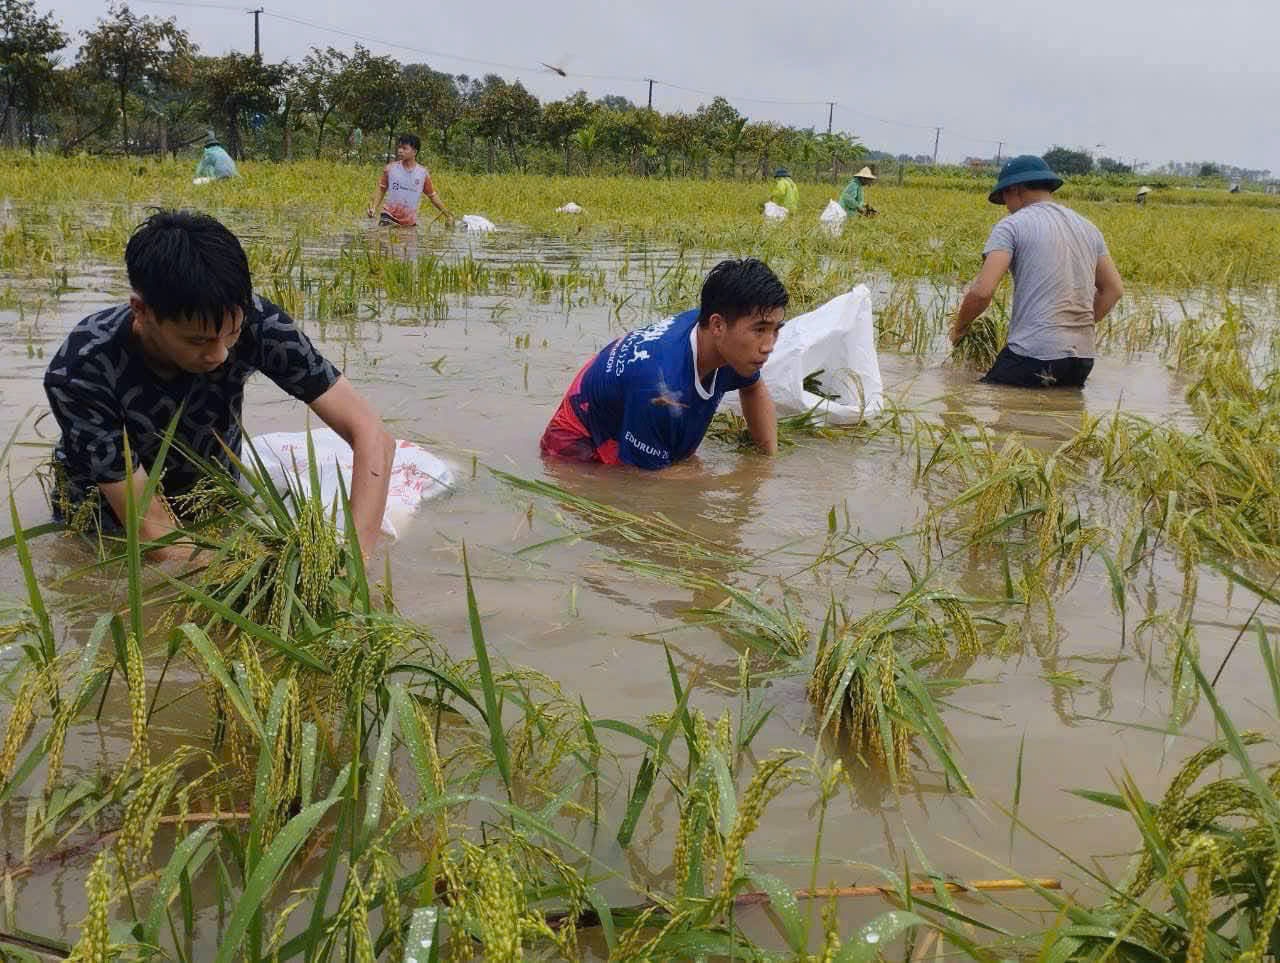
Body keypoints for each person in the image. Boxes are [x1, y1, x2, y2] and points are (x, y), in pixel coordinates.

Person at [43, 210, 396, 560]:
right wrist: (259, 568)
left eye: (232, 334)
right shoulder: (81, 369)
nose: (220, 354)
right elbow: (151, 533)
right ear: (142, 310)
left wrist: (356, 553)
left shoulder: (258, 324)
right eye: (198, 341)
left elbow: (372, 434)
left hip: (212, 499)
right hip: (107, 519)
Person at [540, 258, 787, 469]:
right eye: (760, 330)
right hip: (577, 445)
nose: (769, 345)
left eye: (776, 330)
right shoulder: (660, 389)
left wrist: (767, 464)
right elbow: (644, 481)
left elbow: (753, 388)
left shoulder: (723, 340)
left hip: (629, 401)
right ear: (717, 325)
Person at [949, 155, 1124, 389]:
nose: (1007, 208)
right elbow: (1113, 290)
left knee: (977, 397)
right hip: (1082, 359)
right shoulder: (1088, 227)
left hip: (1033, 354)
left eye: (1005, 200)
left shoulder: (1012, 225)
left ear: (1014, 190)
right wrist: (1075, 329)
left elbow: (982, 292)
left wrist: (960, 330)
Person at [366, 133, 454, 227]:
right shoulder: (390, 169)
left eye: (404, 148)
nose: (400, 151)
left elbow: (432, 196)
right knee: (385, 238)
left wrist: (447, 215)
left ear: (414, 152)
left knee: (408, 240)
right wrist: (373, 208)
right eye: (399, 147)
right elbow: (381, 189)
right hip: (388, 215)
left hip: (409, 221)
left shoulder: (422, 174)